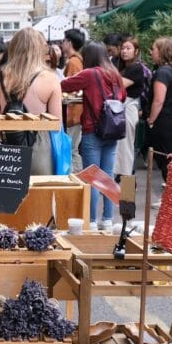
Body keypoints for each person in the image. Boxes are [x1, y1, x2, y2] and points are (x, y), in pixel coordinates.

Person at [61, 42, 127, 229]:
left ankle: (90, 220)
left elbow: (64, 85)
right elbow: (122, 97)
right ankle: (107, 220)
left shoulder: (90, 74)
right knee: (107, 176)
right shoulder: (115, 73)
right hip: (113, 131)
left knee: (93, 177)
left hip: (93, 130)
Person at [0, 27, 63, 176]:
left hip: (7, 153)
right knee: (41, 198)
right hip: (40, 152)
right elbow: (56, 124)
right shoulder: (51, 79)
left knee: (8, 198)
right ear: (40, 49)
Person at [146, 36, 172, 202]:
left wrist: (151, 119)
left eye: (154, 49)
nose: (151, 52)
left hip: (164, 121)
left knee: (166, 160)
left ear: (161, 52)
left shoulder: (162, 72)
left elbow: (158, 100)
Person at [115, 36, 149, 177]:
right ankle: (121, 175)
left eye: (128, 48)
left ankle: (126, 178)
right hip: (122, 108)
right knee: (120, 145)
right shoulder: (123, 67)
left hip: (129, 108)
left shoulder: (136, 68)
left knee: (126, 145)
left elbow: (119, 85)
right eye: (123, 48)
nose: (124, 51)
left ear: (136, 51)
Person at [62, 28, 86, 173]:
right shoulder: (76, 60)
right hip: (75, 113)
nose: (62, 43)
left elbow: (74, 89)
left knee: (72, 149)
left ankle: (77, 179)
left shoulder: (74, 62)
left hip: (73, 113)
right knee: (72, 148)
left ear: (69, 42)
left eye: (64, 40)